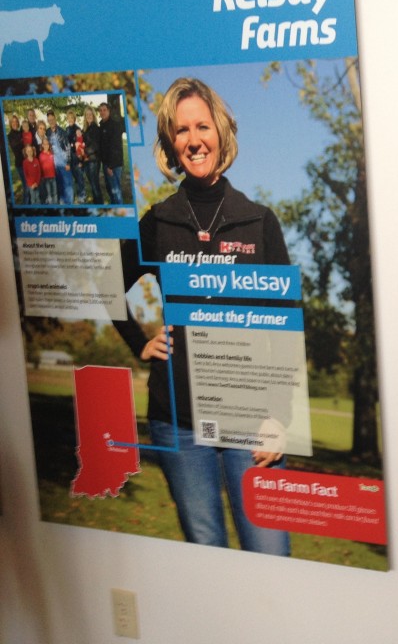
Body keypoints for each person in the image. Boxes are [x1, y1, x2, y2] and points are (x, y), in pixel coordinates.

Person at [115, 77, 291, 555]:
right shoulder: (157, 223)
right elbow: (106, 284)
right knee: (205, 554)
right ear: (171, 144)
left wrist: (281, 415)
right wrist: (139, 339)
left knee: (270, 555)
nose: (194, 140)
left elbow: (286, 323)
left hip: (250, 421)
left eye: (202, 126)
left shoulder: (259, 221)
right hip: (178, 423)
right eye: (180, 130)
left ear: (221, 132)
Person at [99, 102, 125, 204]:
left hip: (113, 165)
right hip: (105, 164)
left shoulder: (115, 125)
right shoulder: (102, 125)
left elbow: (116, 147)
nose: (102, 112)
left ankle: (121, 213)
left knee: (116, 191)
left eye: (104, 110)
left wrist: (110, 166)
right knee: (110, 190)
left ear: (109, 111)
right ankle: (115, 211)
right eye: (100, 110)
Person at [46, 111, 73, 204]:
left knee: (68, 186)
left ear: (55, 119)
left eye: (52, 119)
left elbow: (68, 148)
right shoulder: (48, 132)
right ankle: (62, 205)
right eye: (49, 120)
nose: (51, 121)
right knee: (60, 186)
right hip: (55, 164)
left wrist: (68, 163)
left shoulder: (62, 131)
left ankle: (69, 205)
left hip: (64, 163)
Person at [81, 107, 103, 203]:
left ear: (93, 116)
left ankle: (100, 205)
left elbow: (95, 146)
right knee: (93, 184)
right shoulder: (85, 129)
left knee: (95, 185)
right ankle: (97, 203)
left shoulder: (95, 129)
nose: (89, 116)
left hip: (93, 160)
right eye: (87, 114)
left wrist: (84, 153)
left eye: (91, 114)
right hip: (87, 161)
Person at [65, 110, 86, 203]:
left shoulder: (78, 129)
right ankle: (76, 194)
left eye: (72, 117)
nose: (70, 119)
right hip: (70, 156)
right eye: (69, 117)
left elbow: (80, 144)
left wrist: (81, 160)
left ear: (74, 118)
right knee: (74, 177)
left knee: (79, 177)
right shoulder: (67, 129)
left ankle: (82, 195)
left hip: (77, 156)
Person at [38, 135, 58, 204]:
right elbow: (40, 167)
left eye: (47, 144)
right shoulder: (41, 155)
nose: (46, 145)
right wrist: (41, 177)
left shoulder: (52, 154)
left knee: (55, 192)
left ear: (49, 145)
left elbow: (54, 164)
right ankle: (51, 206)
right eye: (44, 144)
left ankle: (55, 206)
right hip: (46, 177)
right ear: (42, 145)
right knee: (49, 193)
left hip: (53, 176)